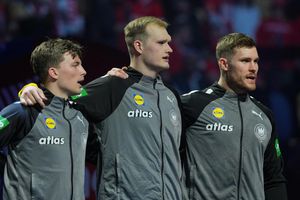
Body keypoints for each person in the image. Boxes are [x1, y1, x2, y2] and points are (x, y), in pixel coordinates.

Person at [19, 16, 185, 200]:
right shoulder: (112, 85)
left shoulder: (172, 96)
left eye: (169, 43)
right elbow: (59, 99)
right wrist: (29, 89)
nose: (169, 49)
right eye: (162, 43)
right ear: (139, 46)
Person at [180, 32, 287, 200]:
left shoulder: (265, 115)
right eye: (245, 61)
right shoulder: (193, 104)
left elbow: (274, 180)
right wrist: (127, 80)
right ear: (224, 64)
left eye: (256, 61)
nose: (254, 68)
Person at [0, 38, 89, 199]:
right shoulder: (23, 111)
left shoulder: (80, 114)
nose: (83, 71)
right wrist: (10, 171)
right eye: (75, 65)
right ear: (54, 72)